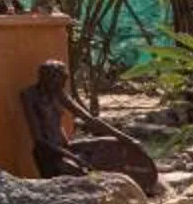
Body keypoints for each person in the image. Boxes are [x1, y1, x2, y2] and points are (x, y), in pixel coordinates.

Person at [21, 58, 160, 192]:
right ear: (47, 79)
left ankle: (138, 183)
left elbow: (90, 120)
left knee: (112, 144)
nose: (61, 86)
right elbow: (39, 140)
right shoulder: (30, 96)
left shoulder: (58, 94)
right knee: (78, 172)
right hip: (50, 154)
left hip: (66, 147)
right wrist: (73, 157)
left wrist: (127, 139)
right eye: (59, 82)